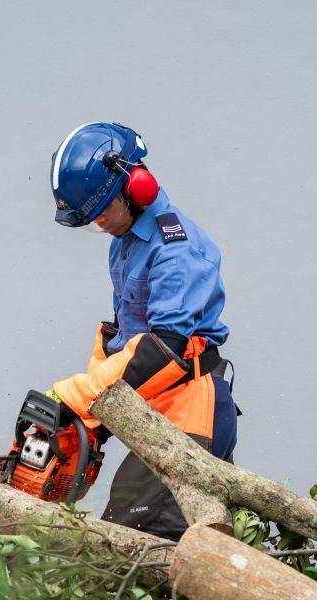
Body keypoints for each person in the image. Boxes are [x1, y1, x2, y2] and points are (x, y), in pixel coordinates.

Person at [45, 122, 239, 541]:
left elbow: (161, 351)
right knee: (135, 535)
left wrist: (80, 398)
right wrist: (90, 424)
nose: (101, 226)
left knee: (138, 539)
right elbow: (125, 343)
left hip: (193, 410)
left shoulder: (176, 248)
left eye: (102, 215)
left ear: (137, 187)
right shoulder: (126, 241)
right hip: (157, 410)